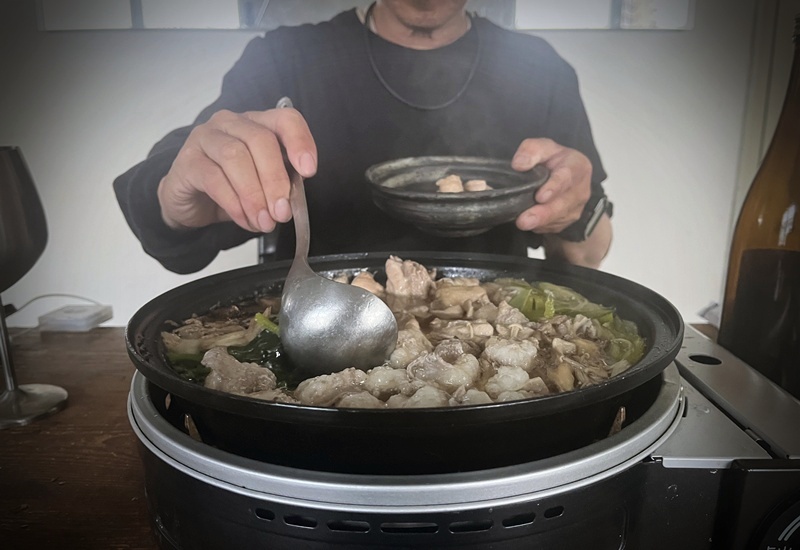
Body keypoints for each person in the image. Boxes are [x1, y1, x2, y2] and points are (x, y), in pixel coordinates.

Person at [114, 0, 613, 275]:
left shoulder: (539, 69)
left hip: (501, 340)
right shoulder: (284, 58)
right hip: (317, 337)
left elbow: (590, 255)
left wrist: (573, 210)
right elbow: (171, 215)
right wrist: (173, 199)